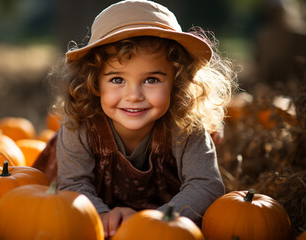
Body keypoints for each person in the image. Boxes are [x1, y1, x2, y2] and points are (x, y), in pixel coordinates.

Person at [33, 0, 237, 237]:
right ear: (94, 81)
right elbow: (74, 184)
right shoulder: (79, 125)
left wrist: (161, 220)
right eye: (117, 79)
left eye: (151, 79)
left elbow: (206, 185)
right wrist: (101, 215)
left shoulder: (185, 127)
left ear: (177, 82)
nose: (133, 96)